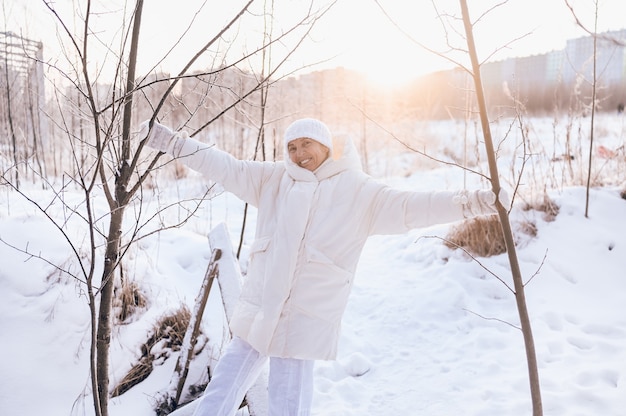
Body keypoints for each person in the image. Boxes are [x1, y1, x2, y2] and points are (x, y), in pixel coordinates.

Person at [139, 118, 504, 416]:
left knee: (288, 404)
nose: (299, 154)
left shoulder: (360, 191)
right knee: (223, 386)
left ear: (325, 146)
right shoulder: (272, 180)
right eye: (292, 147)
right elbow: (221, 164)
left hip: (304, 317)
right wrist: (169, 141)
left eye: (306, 145)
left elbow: (414, 207)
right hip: (261, 308)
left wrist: (475, 203)